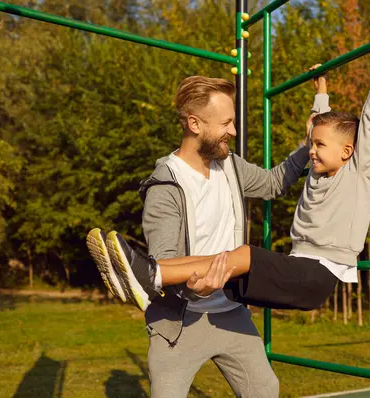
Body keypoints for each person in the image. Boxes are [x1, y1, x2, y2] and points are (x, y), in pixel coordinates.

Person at [98, 30, 370, 315]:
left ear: (348, 152)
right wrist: (321, 90)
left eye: (320, 146)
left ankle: (152, 275)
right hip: (299, 266)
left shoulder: (357, 171)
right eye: (312, 144)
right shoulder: (316, 172)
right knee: (217, 263)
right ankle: (148, 271)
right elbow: (316, 128)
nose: (311, 150)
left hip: (320, 273)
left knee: (243, 254)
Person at [87, 68, 331, 397]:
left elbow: (273, 183)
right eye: (226, 123)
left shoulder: (229, 164)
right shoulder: (165, 187)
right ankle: (144, 274)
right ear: (194, 124)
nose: (232, 130)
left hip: (230, 313)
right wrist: (197, 289)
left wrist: (309, 146)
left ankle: (141, 272)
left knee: (264, 389)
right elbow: (171, 260)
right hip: (180, 323)